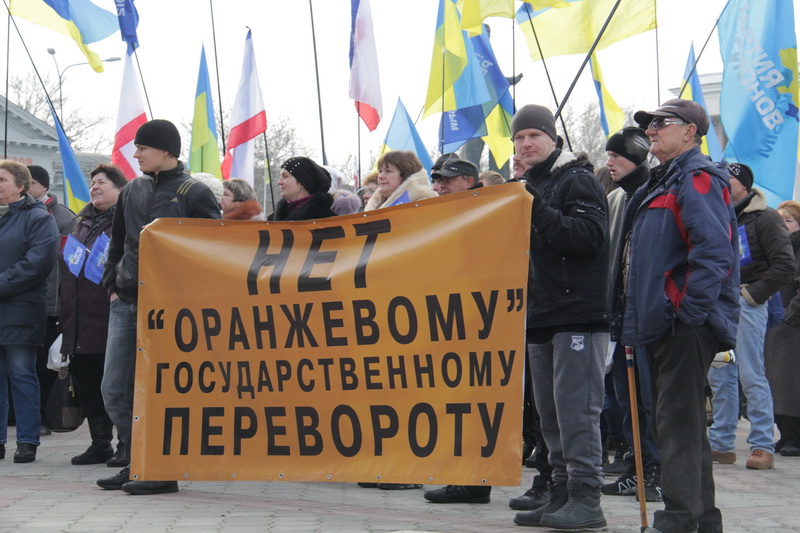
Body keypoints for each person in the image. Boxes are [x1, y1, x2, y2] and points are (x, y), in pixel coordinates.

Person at [614, 99, 739, 533]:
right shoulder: (663, 179)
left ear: (690, 132)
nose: (650, 130)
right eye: (649, 124)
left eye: (661, 123)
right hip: (664, 322)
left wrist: (686, 312)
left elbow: (714, 252)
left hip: (682, 325)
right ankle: (701, 520)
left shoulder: (696, 177)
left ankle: (679, 519)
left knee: (676, 425)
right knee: (682, 425)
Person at [98, 119, 221, 495]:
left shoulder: (195, 192)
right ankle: (138, 460)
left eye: (143, 147)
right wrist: (112, 285)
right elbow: (117, 242)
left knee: (161, 392)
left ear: (166, 150)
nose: (135, 154)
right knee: (114, 389)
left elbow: (214, 250)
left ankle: (159, 468)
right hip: (127, 301)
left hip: (171, 308)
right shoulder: (132, 189)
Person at [509, 104, 609, 530]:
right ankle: (562, 493)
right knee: (549, 416)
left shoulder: (577, 179)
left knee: (575, 412)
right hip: (541, 314)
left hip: (578, 315)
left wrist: (536, 208)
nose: (526, 143)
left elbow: (590, 237)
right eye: (518, 137)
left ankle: (588, 499)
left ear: (554, 139)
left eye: (534, 135)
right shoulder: (529, 184)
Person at [707, 163, 794, 470]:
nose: (721, 182)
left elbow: (785, 266)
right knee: (720, 374)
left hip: (747, 304)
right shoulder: (714, 212)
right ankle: (721, 443)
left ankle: (761, 444)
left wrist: (752, 295)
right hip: (718, 304)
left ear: (743, 184)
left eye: (727, 178)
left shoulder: (766, 217)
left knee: (751, 374)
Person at [601, 127, 662, 501]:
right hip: (620, 312)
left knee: (649, 399)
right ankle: (636, 467)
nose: (609, 162)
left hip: (648, 312)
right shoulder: (616, 197)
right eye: (608, 155)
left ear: (637, 157)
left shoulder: (655, 191)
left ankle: (657, 470)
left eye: (617, 156)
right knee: (627, 400)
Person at [59, 164, 129, 466]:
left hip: (109, 315)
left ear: (120, 189)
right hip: (78, 318)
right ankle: (100, 443)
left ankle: (126, 444)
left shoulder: (126, 221)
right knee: (87, 383)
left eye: (102, 182)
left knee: (116, 385)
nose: (95, 187)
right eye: (93, 183)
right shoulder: (82, 222)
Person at [0, 160, 59, 463]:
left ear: (21, 186)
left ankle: (26, 440)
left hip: (21, 310)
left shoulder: (38, 218)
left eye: (2, 180)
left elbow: (36, 264)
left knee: (22, 374)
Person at [27, 165, 76, 435]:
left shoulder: (64, 218)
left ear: (44, 186)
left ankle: (45, 417)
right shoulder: (15, 215)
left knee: (44, 366)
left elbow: (68, 264)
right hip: (25, 301)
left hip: (51, 305)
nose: (26, 188)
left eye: (31, 183)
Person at [766, 200, 800, 457]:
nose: (783, 225)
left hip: (791, 326)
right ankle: (786, 433)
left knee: (789, 384)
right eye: (780, 220)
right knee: (776, 383)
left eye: (789, 220)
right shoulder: (778, 247)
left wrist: (789, 316)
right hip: (779, 324)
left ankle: (794, 436)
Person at [365, 151, 436, 211]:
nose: (380, 176)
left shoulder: (424, 205)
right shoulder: (377, 204)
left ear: (405, 175)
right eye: (380, 171)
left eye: (388, 171)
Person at [269, 157, 336, 221]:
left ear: (303, 182)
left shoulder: (328, 220)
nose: (279, 182)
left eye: (285, 176)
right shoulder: (271, 221)